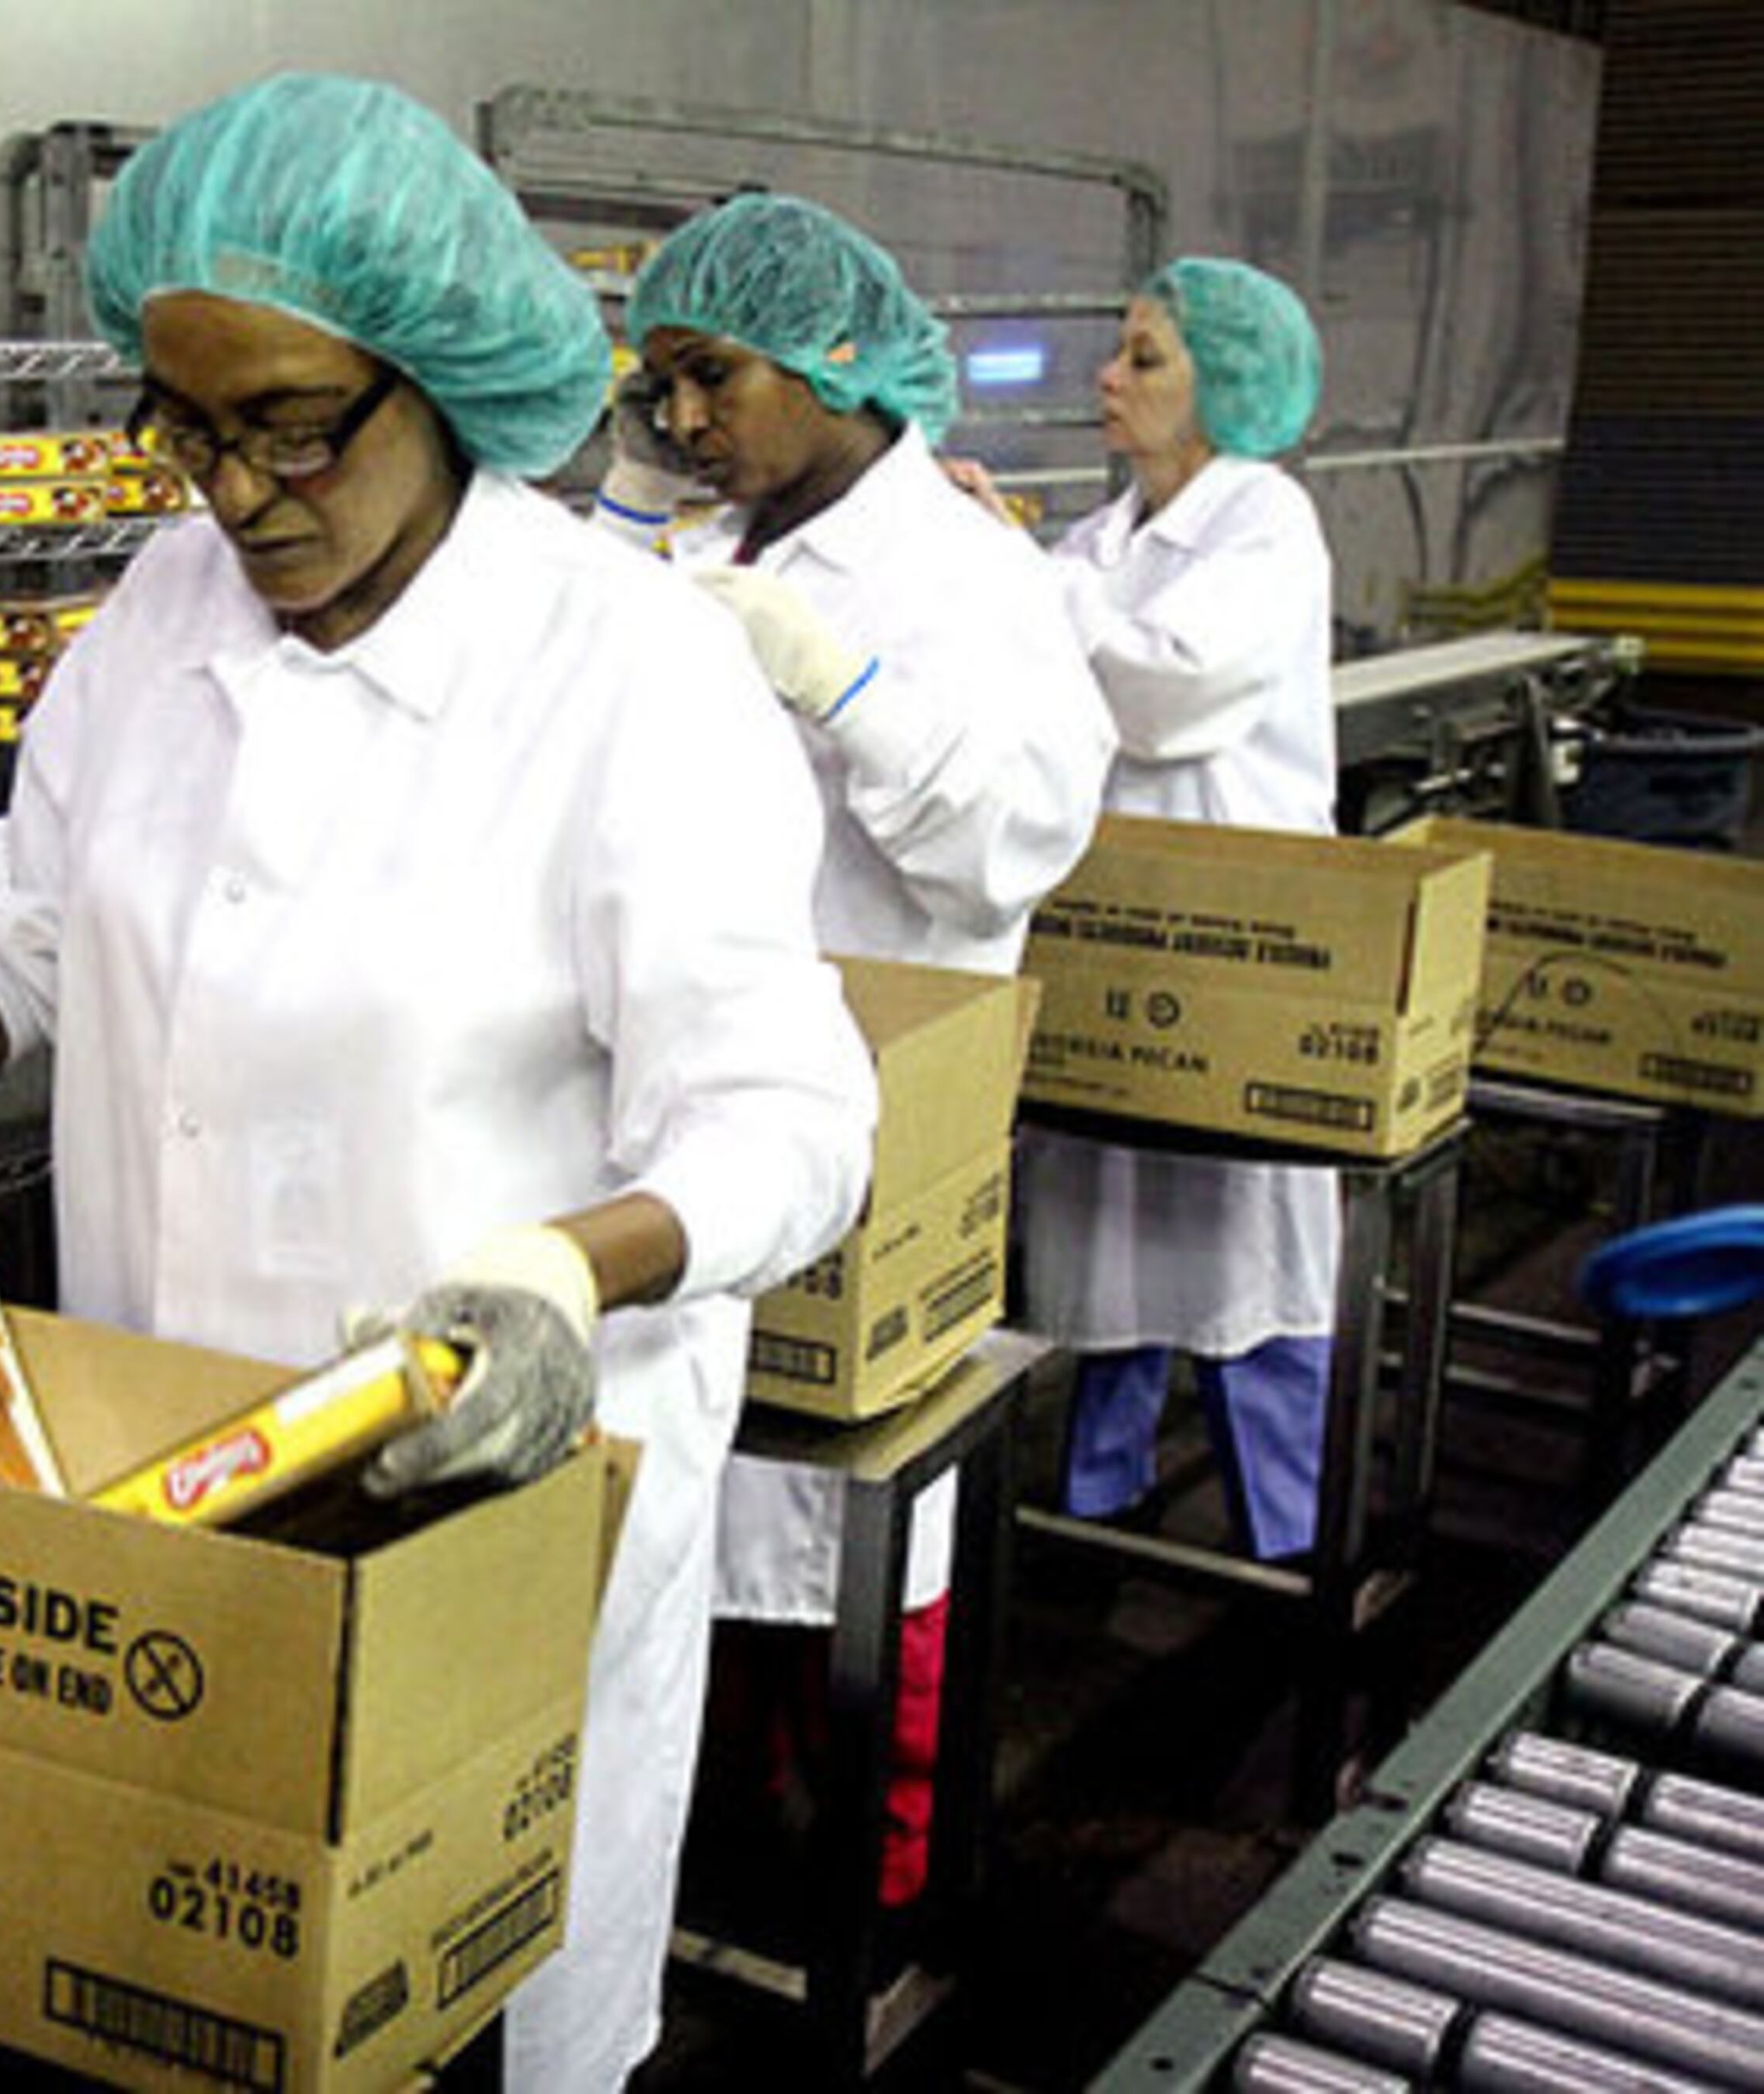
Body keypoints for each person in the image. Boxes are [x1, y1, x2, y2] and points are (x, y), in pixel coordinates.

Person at [0, 74, 877, 2094]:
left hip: (479, 1524)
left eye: (291, 425)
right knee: (166, 2007)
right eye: (186, 427)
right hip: (161, 1511)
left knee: (443, 2030)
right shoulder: (161, 612)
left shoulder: (625, 675)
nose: (235, 493)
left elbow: (794, 1123)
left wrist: (566, 1270)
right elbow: (24, 928)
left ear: (440, 378)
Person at [593, 193, 1115, 1913]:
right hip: (688, 1118)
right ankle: (721, 1857)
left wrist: (837, 677)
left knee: (858, 1552)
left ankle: (885, 1901)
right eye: (659, 386)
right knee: (695, 1530)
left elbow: (1021, 836)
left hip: (884, 1132)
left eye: (710, 377)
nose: (681, 422)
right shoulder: (705, 546)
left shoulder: (962, 570)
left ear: (831, 362)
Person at [975, 257, 1343, 1563]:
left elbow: (1168, 687)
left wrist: (1020, 576)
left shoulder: (1265, 522)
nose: (1109, 380)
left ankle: (1288, 1539)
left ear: (1223, 391)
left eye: (1145, 359)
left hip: (1241, 936)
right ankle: (1098, 1505)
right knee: (1108, 1233)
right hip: (1121, 923)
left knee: (1248, 1238)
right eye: (1120, 352)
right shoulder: (1102, 534)